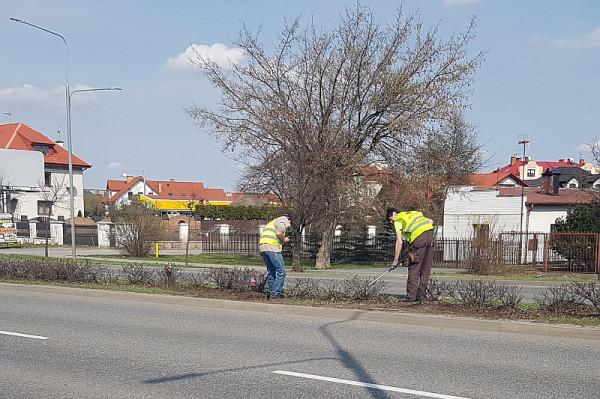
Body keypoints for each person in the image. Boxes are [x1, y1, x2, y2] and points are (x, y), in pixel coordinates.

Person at [386, 208, 435, 302]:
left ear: (393, 215)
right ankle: (421, 296)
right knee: (425, 269)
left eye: (390, 220)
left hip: (419, 239)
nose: (391, 223)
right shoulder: (413, 213)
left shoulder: (398, 220)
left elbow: (399, 242)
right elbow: (430, 221)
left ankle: (411, 297)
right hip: (430, 237)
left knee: (414, 268)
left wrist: (395, 261)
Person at [259, 214, 291, 302]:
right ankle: (275, 294)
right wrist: (284, 239)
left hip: (263, 247)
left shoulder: (271, 222)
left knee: (271, 272)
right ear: (289, 220)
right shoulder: (283, 219)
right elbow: (279, 233)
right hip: (272, 247)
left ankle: (272, 293)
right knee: (281, 272)